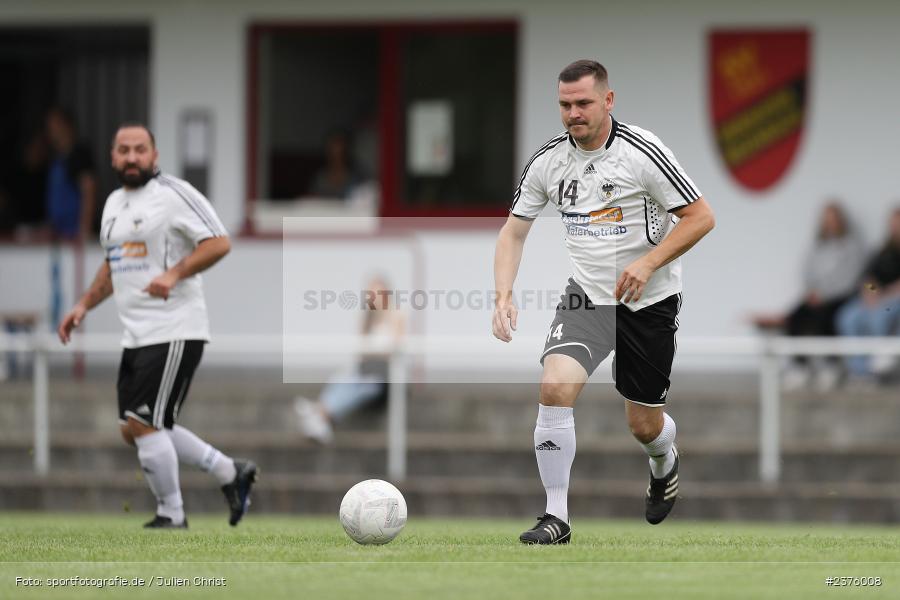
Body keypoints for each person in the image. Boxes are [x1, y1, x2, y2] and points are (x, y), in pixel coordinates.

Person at [493, 60, 715, 544]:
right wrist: (503, 295)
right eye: (565, 104)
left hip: (649, 300)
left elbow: (700, 217)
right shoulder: (548, 162)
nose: (573, 113)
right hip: (588, 297)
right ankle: (556, 517)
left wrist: (648, 264)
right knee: (554, 387)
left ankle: (664, 460)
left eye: (583, 103)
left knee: (643, 424)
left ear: (608, 101)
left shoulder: (643, 153)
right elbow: (512, 233)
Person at [57, 123, 257, 529]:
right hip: (136, 334)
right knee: (135, 429)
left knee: (144, 424)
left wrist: (174, 275)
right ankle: (229, 472)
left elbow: (219, 241)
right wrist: (83, 304)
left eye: (140, 149)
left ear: (155, 155)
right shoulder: (113, 204)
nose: (132, 157)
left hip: (175, 329)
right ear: (113, 157)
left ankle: (172, 514)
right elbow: (115, 265)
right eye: (124, 150)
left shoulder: (173, 194)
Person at [294, 276, 405, 443]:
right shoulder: (367, 319)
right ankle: (321, 417)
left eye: (378, 293)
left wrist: (374, 352)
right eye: (371, 294)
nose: (374, 298)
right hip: (366, 370)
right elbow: (361, 352)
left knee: (363, 385)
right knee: (342, 377)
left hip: (383, 379)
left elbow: (394, 349)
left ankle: (319, 412)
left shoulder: (396, 315)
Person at [781, 202, 866, 391]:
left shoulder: (851, 245)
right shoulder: (818, 245)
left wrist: (825, 294)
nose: (830, 223)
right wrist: (812, 291)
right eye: (826, 220)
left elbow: (851, 277)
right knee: (795, 317)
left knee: (827, 316)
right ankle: (799, 366)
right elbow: (806, 270)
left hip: (839, 297)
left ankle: (831, 365)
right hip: (815, 295)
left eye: (833, 219)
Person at [836, 207, 900, 380]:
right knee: (848, 316)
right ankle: (860, 371)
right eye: (893, 224)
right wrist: (872, 291)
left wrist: (887, 293)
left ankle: (879, 362)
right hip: (879, 297)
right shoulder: (882, 251)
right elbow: (869, 278)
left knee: (881, 314)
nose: (895, 228)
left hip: (894, 299)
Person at [44, 107, 96, 239]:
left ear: (67, 126)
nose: (51, 131)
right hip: (58, 234)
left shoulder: (80, 155)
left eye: (55, 125)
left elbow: (89, 192)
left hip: (75, 235)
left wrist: (84, 232)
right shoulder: (56, 157)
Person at [308, 130, 364, 200]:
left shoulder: (356, 178)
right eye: (331, 148)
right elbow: (313, 200)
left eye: (339, 147)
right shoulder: (320, 178)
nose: (335, 153)